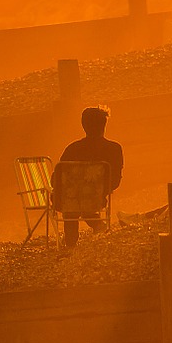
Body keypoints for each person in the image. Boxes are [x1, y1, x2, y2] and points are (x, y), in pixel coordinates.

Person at [56, 105, 123, 248]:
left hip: (69, 201)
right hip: (96, 199)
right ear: (104, 124)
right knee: (82, 196)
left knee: (71, 198)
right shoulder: (114, 149)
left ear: (83, 125)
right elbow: (115, 181)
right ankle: (97, 223)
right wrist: (101, 189)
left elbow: (56, 178)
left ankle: (70, 243)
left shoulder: (72, 149)